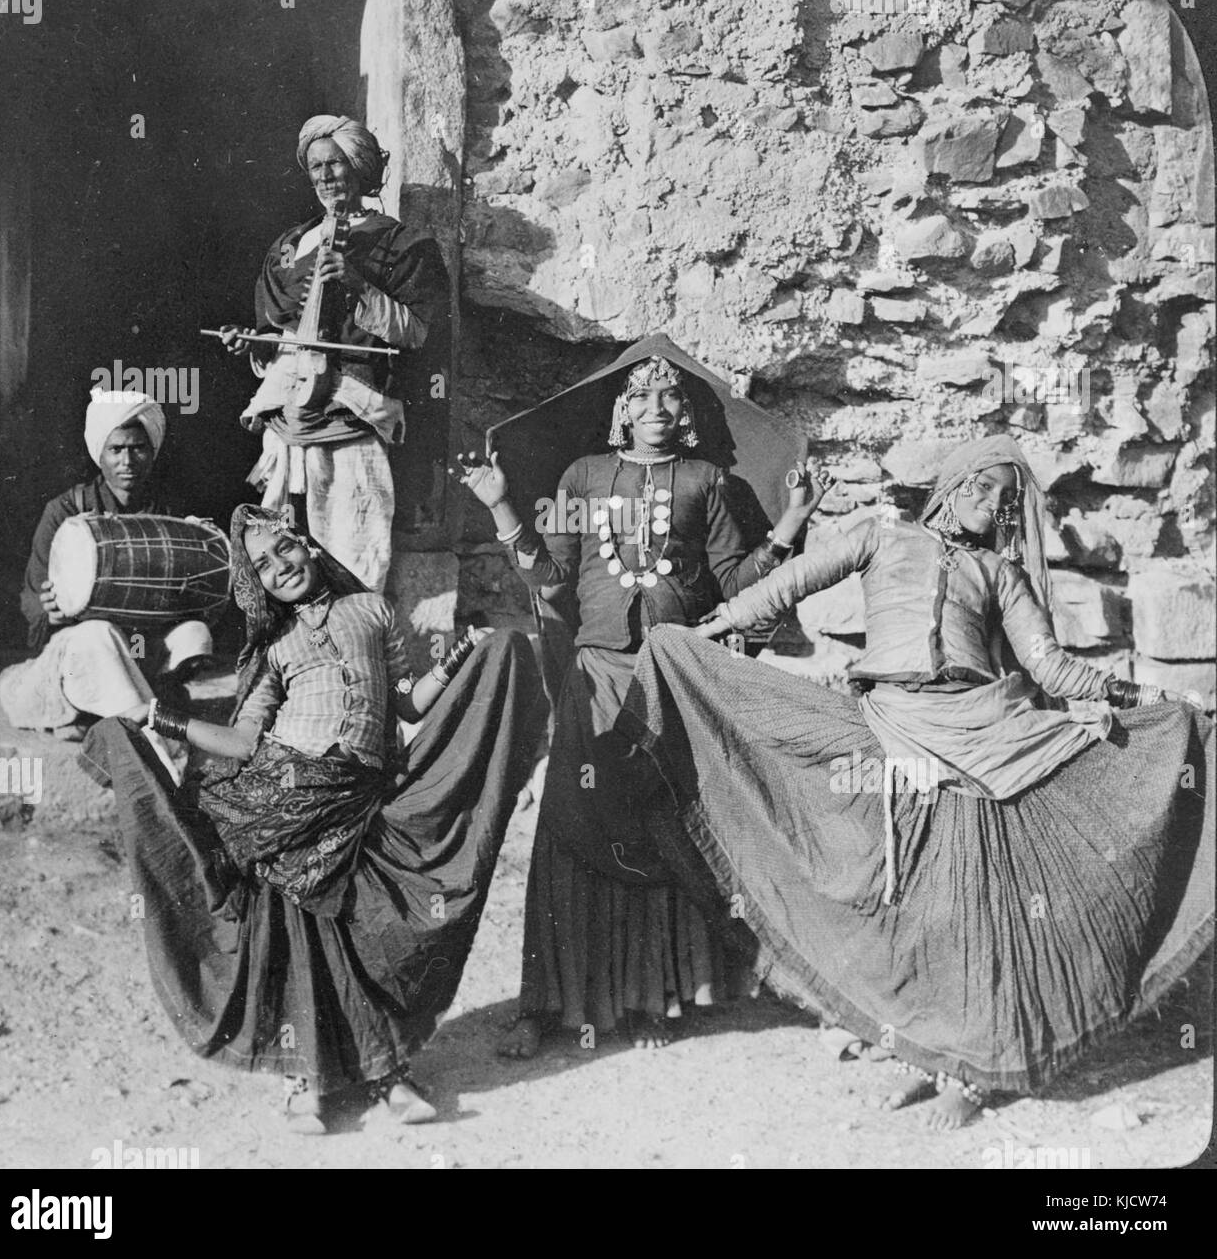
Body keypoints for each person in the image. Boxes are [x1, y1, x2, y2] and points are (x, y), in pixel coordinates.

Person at [618, 434, 1214, 1128]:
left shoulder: (999, 573)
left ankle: (973, 1070)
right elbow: (786, 586)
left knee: (974, 907)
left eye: (1004, 500)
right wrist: (716, 625)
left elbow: (1049, 666)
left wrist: (1142, 699)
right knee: (913, 907)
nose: (990, 506)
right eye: (980, 488)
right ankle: (920, 1055)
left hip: (989, 734)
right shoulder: (879, 536)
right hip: (892, 727)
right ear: (951, 484)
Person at [79, 504, 547, 1131]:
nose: (280, 569)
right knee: (292, 922)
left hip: (359, 795)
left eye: (284, 551)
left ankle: (385, 1070)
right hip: (283, 798)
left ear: (308, 545)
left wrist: (464, 648)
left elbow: (407, 703)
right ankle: (310, 1081)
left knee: (362, 928)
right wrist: (162, 721)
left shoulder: (372, 610)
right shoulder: (272, 647)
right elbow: (246, 743)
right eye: (264, 568)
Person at [460, 353, 831, 1056]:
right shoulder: (583, 475)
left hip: (674, 677)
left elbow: (733, 582)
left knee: (663, 828)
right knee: (572, 827)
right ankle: (546, 1004)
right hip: (595, 675)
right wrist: (502, 506)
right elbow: (552, 578)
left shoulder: (707, 482)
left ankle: (654, 997)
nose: (656, 407)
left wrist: (789, 523)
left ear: (686, 413)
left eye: (670, 397)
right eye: (642, 396)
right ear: (622, 410)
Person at [219, 114, 450, 592]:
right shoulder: (288, 247)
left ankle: (355, 647)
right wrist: (254, 345)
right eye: (316, 166)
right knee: (283, 547)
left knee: (352, 548)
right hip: (289, 420)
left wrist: (358, 284)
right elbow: (277, 336)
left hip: (352, 422)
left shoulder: (404, 245)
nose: (325, 177)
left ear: (361, 168)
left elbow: (421, 334)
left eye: (337, 164)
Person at [0, 389, 214, 766]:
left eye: (138, 448)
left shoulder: (168, 515)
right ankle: (156, 734)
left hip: (141, 651)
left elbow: (192, 600)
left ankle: (125, 710)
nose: (127, 460)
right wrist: (51, 611)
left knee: (196, 634)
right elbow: (31, 599)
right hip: (78, 653)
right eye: (115, 449)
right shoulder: (65, 510)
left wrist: (199, 553)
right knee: (99, 634)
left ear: (153, 450)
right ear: (99, 452)